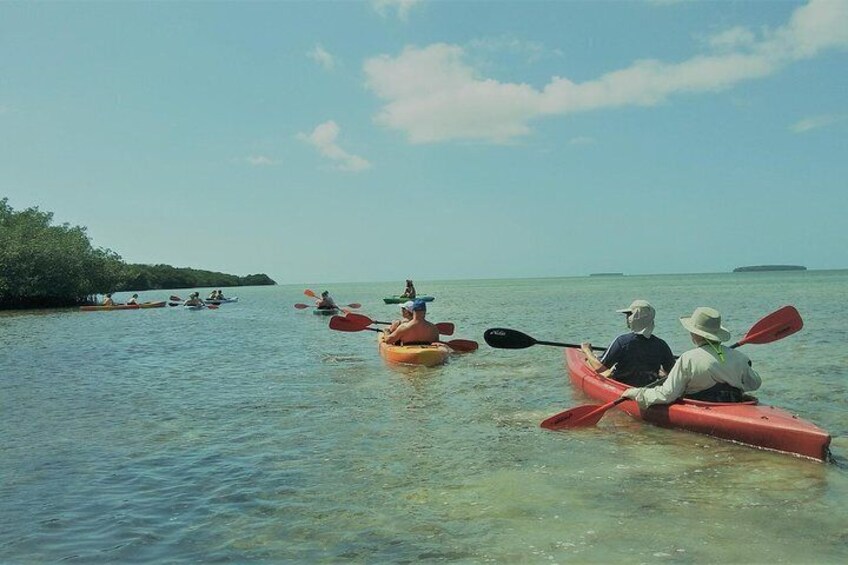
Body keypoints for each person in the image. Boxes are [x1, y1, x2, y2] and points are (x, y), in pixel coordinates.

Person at [621, 306, 762, 408]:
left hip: (703, 406)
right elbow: (754, 384)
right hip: (733, 405)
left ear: (695, 333)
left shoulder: (687, 359)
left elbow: (667, 395)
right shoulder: (740, 357)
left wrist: (637, 393)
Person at [581, 300, 675, 387]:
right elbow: (673, 373)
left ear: (634, 318)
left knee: (592, 363)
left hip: (623, 388)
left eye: (628, 315)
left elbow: (600, 369)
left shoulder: (622, 342)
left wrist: (587, 351)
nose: (626, 318)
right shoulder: (661, 345)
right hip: (649, 388)